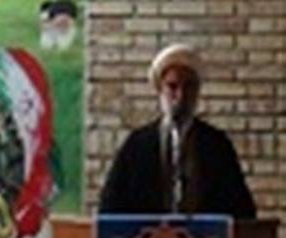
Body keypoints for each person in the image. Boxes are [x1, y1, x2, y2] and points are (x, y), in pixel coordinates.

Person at [99, 44, 256, 218]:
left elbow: (243, 211)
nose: (181, 96)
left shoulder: (217, 145)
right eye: (172, 87)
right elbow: (109, 209)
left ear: (197, 91)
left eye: (188, 87)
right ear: (160, 90)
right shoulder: (136, 145)